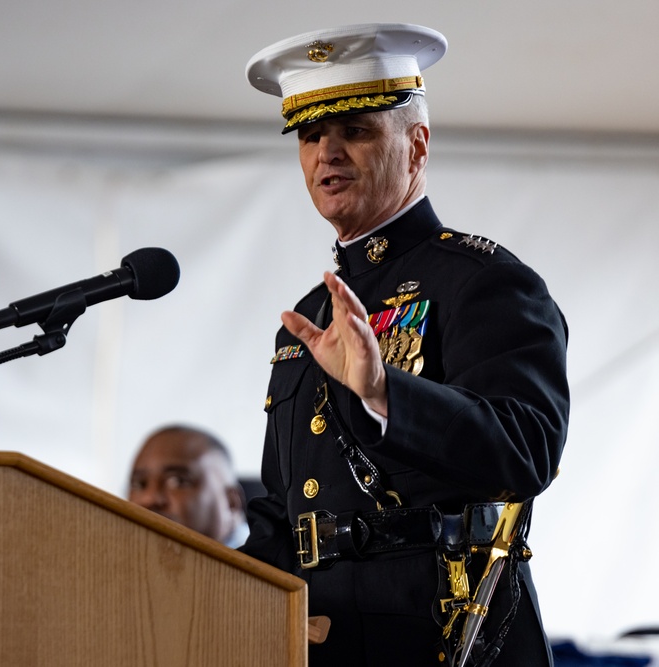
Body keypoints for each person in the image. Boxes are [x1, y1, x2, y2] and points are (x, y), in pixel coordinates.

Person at [239, 23, 569, 666]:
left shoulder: (484, 281)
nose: (326, 153)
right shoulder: (308, 319)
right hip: (321, 642)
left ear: (416, 146)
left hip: (442, 634)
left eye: (355, 130)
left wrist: (384, 391)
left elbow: (527, 450)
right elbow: (287, 508)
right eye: (310, 135)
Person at [128, 424, 249, 548]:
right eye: (139, 484)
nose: (149, 499)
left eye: (177, 481)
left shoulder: (264, 563)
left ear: (231, 502)